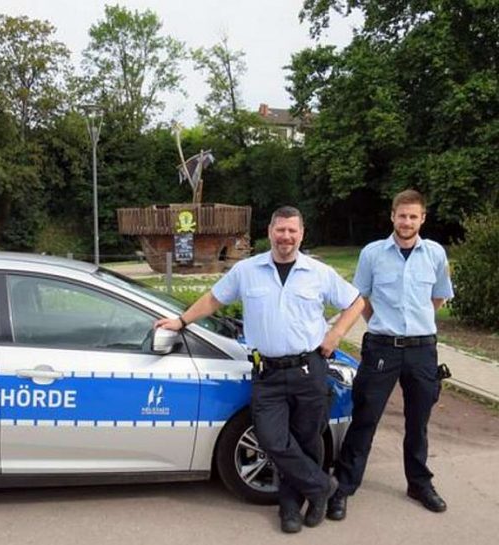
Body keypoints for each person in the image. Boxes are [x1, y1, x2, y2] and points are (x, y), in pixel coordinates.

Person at [156, 206, 363, 533]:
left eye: (292, 231)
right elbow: (213, 299)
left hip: (309, 368)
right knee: (272, 439)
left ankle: (292, 507)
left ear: (301, 233)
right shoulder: (247, 270)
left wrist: (336, 333)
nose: (286, 237)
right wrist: (181, 321)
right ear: (270, 232)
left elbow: (356, 302)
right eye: (280, 230)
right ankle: (322, 486)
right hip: (267, 372)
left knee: (307, 440)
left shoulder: (318, 272)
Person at [327, 189, 454, 521]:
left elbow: (438, 298)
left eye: (414, 216)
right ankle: (344, 486)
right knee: (365, 419)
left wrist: (416, 324)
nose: (407, 221)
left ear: (422, 218)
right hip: (382, 347)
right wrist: (384, 326)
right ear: (393, 216)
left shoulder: (436, 254)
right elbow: (362, 299)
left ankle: (419, 483)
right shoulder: (373, 254)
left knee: (418, 422)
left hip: (422, 350)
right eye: (402, 215)